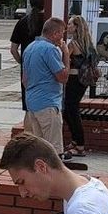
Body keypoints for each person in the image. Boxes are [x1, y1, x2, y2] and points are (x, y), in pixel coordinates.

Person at [22, 17, 69, 158]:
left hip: (32, 103)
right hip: (48, 103)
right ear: (55, 33)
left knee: (40, 147)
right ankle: (54, 176)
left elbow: (25, 80)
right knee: (53, 150)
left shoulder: (30, 47)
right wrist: (66, 55)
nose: (62, 36)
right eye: (62, 33)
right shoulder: (50, 49)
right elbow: (63, 77)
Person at [62, 16, 95, 157]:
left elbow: (63, 61)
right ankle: (76, 140)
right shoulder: (87, 44)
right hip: (83, 81)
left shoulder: (72, 44)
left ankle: (80, 144)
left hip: (74, 80)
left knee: (71, 111)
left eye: (69, 24)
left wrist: (63, 49)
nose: (67, 26)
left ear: (76, 27)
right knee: (70, 110)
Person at [10, 0, 46, 111]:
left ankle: (29, 128)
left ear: (30, 4)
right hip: (46, 65)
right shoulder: (49, 22)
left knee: (29, 104)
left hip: (28, 66)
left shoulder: (22, 22)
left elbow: (13, 49)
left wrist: (22, 61)